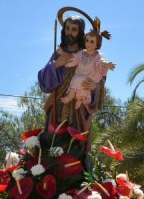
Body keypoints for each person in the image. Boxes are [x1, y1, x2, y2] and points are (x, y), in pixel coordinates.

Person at [38, 12, 105, 153]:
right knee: (53, 141)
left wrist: (95, 86)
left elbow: (100, 76)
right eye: (67, 28)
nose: (69, 32)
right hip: (57, 105)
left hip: (79, 108)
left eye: (74, 29)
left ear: (80, 33)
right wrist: (56, 65)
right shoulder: (59, 53)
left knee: (76, 145)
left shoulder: (88, 54)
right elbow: (43, 80)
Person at [61, 30, 115, 111]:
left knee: (82, 83)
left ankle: (76, 98)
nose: (88, 43)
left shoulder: (98, 55)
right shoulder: (82, 53)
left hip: (89, 77)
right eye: (87, 40)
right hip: (79, 74)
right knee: (76, 79)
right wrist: (67, 62)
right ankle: (74, 97)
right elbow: (74, 58)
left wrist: (106, 64)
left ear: (97, 44)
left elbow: (100, 62)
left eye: (92, 41)